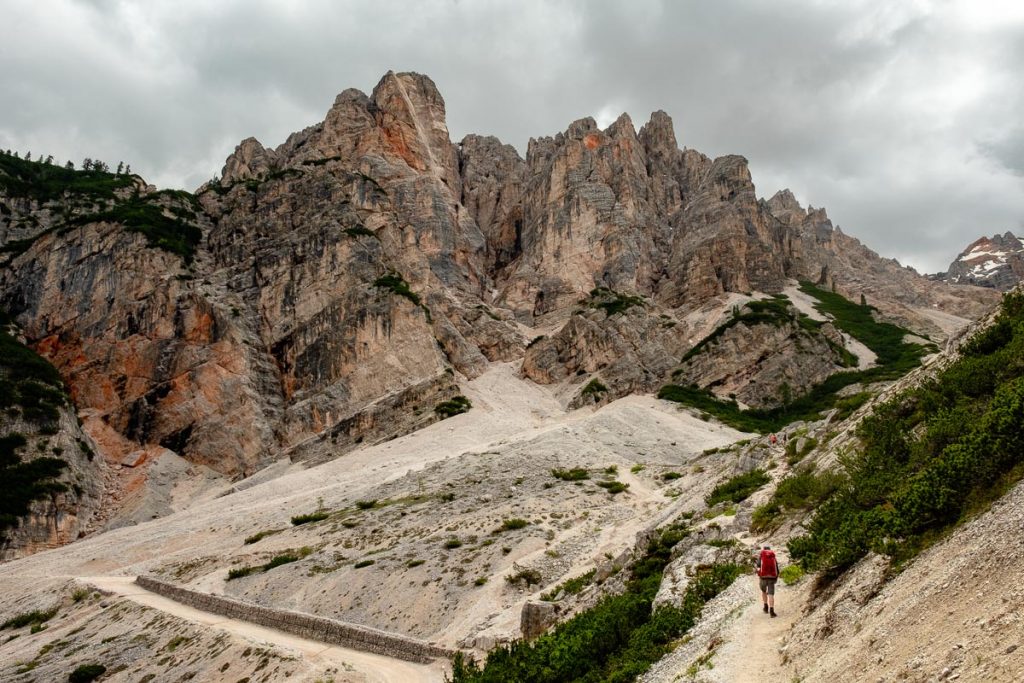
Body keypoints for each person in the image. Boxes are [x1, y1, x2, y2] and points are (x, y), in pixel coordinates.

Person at [755, 545, 779, 617]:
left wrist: (758, 573)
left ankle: (765, 607)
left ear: (763, 549)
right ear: (770, 549)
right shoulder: (772, 556)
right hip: (772, 577)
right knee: (771, 594)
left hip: (763, 577)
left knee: (764, 591)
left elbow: (758, 565)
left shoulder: (762, 555)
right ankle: (772, 611)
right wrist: (776, 577)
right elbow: (776, 568)